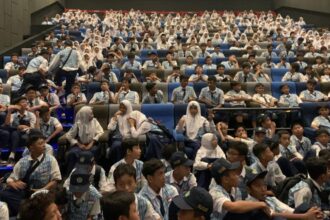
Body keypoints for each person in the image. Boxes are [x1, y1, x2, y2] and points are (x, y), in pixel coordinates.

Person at [0, 132, 61, 216]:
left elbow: (56, 179)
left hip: (43, 193)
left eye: (44, 143)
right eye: (40, 143)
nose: (44, 145)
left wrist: (42, 189)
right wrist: (13, 183)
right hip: (25, 192)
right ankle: (25, 212)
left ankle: (25, 212)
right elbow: (11, 178)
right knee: (3, 194)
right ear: (31, 147)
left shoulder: (51, 160)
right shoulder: (22, 161)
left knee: (32, 204)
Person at [245, 170, 323, 220]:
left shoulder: (269, 198)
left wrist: (311, 212)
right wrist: (305, 216)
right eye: (258, 186)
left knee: (306, 207)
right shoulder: (250, 205)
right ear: (248, 189)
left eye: (264, 185)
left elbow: (290, 210)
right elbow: (272, 214)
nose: (263, 189)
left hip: (289, 217)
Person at [66, 106, 104, 174]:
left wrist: (92, 142)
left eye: (92, 113)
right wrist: (79, 144)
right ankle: (72, 175)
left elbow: (101, 132)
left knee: (92, 152)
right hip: (80, 145)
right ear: (85, 115)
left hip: (92, 144)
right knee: (72, 153)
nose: (93, 115)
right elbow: (68, 135)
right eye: (91, 114)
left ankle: (92, 174)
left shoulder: (94, 121)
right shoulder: (78, 123)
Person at [4, 97, 36, 163]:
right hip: (15, 137)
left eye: (26, 102)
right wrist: (9, 111)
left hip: (27, 135)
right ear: (17, 105)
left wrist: (26, 127)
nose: (25, 103)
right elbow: (7, 124)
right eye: (23, 102)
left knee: (20, 134)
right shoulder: (13, 115)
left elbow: (33, 128)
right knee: (14, 133)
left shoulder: (31, 115)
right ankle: (12, 155)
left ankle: (14, 155)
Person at [107, 100, 133, 165]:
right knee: (117, 145)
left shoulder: (132, 117)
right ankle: (117, 165)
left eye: (124, 108)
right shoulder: (117, 116)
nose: (121, 109)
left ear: (128, 108)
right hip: (117, 138)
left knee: (119, 145)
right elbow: (110, 128)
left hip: (129, 138)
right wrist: (115, 117)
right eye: (120, 107)